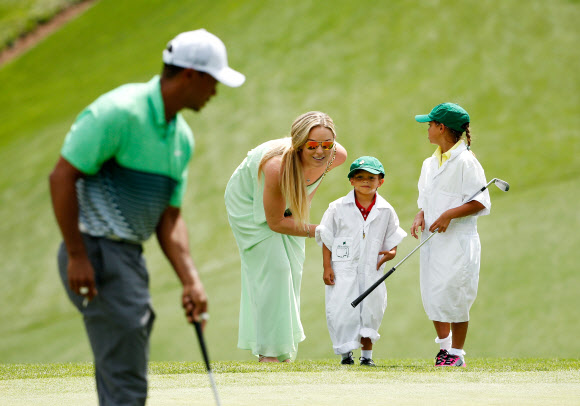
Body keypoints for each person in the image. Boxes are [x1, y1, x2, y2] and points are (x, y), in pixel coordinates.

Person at [49, 29, 245, 405]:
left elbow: (168, 219)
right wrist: (76, 254)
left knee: (122, 371)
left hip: (127, 258)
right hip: (97, 251)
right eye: (212, 81)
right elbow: (62, 176)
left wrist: (191, 281)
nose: (215, 92)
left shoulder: (180, 139)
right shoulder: (119, 111)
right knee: (126, 382)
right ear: (190, 74)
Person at [224, 111, 347, 362]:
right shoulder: (276, 167)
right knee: (276, 270)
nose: (320, 151)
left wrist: (300, 212)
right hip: (247, 203)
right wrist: (322, 230)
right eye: (312, 145)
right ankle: (269, 355)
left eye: (327, 144)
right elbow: (276, 222)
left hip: (285, 202)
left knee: (293, 269)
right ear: (299, 144)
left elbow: (309, 185)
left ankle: (285, 353)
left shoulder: (336, 156)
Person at [410, 102, 491, 367]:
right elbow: (426, 198)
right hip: (433, 241)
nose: (427, 129)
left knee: (455, 296)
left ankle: (457, 354)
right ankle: (443, 350)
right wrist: (422, 214)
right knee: (433, 294)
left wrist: (448, 215)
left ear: (441, 127)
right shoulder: (429, 163)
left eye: (430, 124)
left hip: (458, 242)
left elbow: (481, 202)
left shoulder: (467, 162)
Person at [315, 156, 407, 366]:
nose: (366, 181)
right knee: (342, 311)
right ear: (352, 181)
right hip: (343, 269)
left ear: (380, 181)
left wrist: (392, 252)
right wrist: (327, 266)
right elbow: (327, 238)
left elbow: (392, 237)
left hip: (372, 269)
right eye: (360, 177)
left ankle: (367, 357)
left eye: (371, 178)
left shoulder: (386, 210)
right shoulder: (337, 208)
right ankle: (346, 355)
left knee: (371, 311)